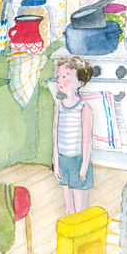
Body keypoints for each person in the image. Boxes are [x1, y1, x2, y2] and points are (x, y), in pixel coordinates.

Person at [53, 55, 94, 214]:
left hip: (78, 160)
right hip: (63, 159)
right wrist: (56, 162)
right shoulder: (60, 107)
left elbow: (87, 140)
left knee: (80, 206)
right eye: (59, 76)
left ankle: (81, 226)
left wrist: (84, 166)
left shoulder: (84, 108)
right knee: (69, 207)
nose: (60, 80)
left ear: (80, 82)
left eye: (65, 76)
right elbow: (55, 136)